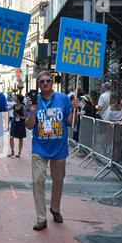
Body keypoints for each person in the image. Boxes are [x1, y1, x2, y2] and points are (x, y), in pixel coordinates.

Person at [26, 71, 78, 231]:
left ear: (52, 82)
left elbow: (69, 121)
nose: (45, 83)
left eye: (48, 80)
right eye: (41, 81)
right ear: (38, 84)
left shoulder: (63, 99)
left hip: (59, 148)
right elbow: (29, 126)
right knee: (37, 180)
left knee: (58, 180)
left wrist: (75, 110)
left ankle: (55, 208)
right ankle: (41, 218)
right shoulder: (34, 101)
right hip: (39, 147)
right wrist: (33, 111)